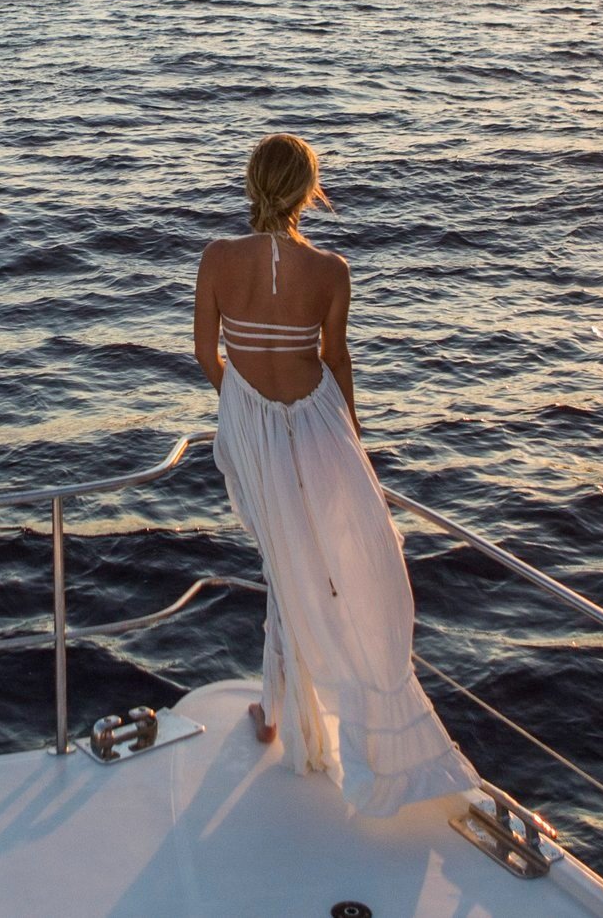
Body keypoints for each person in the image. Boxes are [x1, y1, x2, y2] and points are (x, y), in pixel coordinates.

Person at [194, 132, 476, 818]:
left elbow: (208, 355)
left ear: (251, 181)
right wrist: (350, 437)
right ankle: (313, 707)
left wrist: (247, 406)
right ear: (306, 190)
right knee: (338, 564)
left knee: (284, 565)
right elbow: (338, 362)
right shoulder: (332, 269)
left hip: (251, 426)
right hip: (318, 424)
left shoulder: (216, 259)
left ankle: (277, 708)